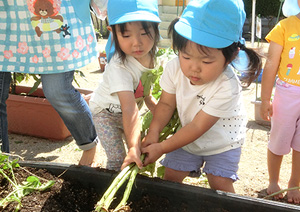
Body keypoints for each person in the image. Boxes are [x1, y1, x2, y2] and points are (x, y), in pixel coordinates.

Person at [141, 0, 262, 193]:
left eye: (206, 61)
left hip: (223, 142)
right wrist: (154, 132)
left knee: (220, 184)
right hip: (186, 137)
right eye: (186, 56)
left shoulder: (227, 85)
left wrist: (162, 147)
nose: (194, 68)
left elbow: (198, 126)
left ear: (231, 56)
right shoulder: (174, 68)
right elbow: (165, 104)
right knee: (170, 178)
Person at [0, 0, 108, 167]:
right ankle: (2, 165)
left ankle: (89, 144)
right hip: (6, 17)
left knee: (58, 91)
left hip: (55, 31)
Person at [89, 0, 161, 171]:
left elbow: (147, 94)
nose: (137, 43)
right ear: (113, 33)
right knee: (118, 159)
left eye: (144, 33)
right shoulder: (119, 67)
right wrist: (133, 147)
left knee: (144, 151)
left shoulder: (154, 55)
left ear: (156, 29)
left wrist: (164, 115)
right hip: (105, 115)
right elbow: (129, 108)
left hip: (129, 113)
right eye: (126, 35)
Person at [260, 0, 300, 203]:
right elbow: (271, 64)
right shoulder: (284, 27)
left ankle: (295, 183)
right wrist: (265, 98)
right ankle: (274, 181)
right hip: (287, 94)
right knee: (279, 138)